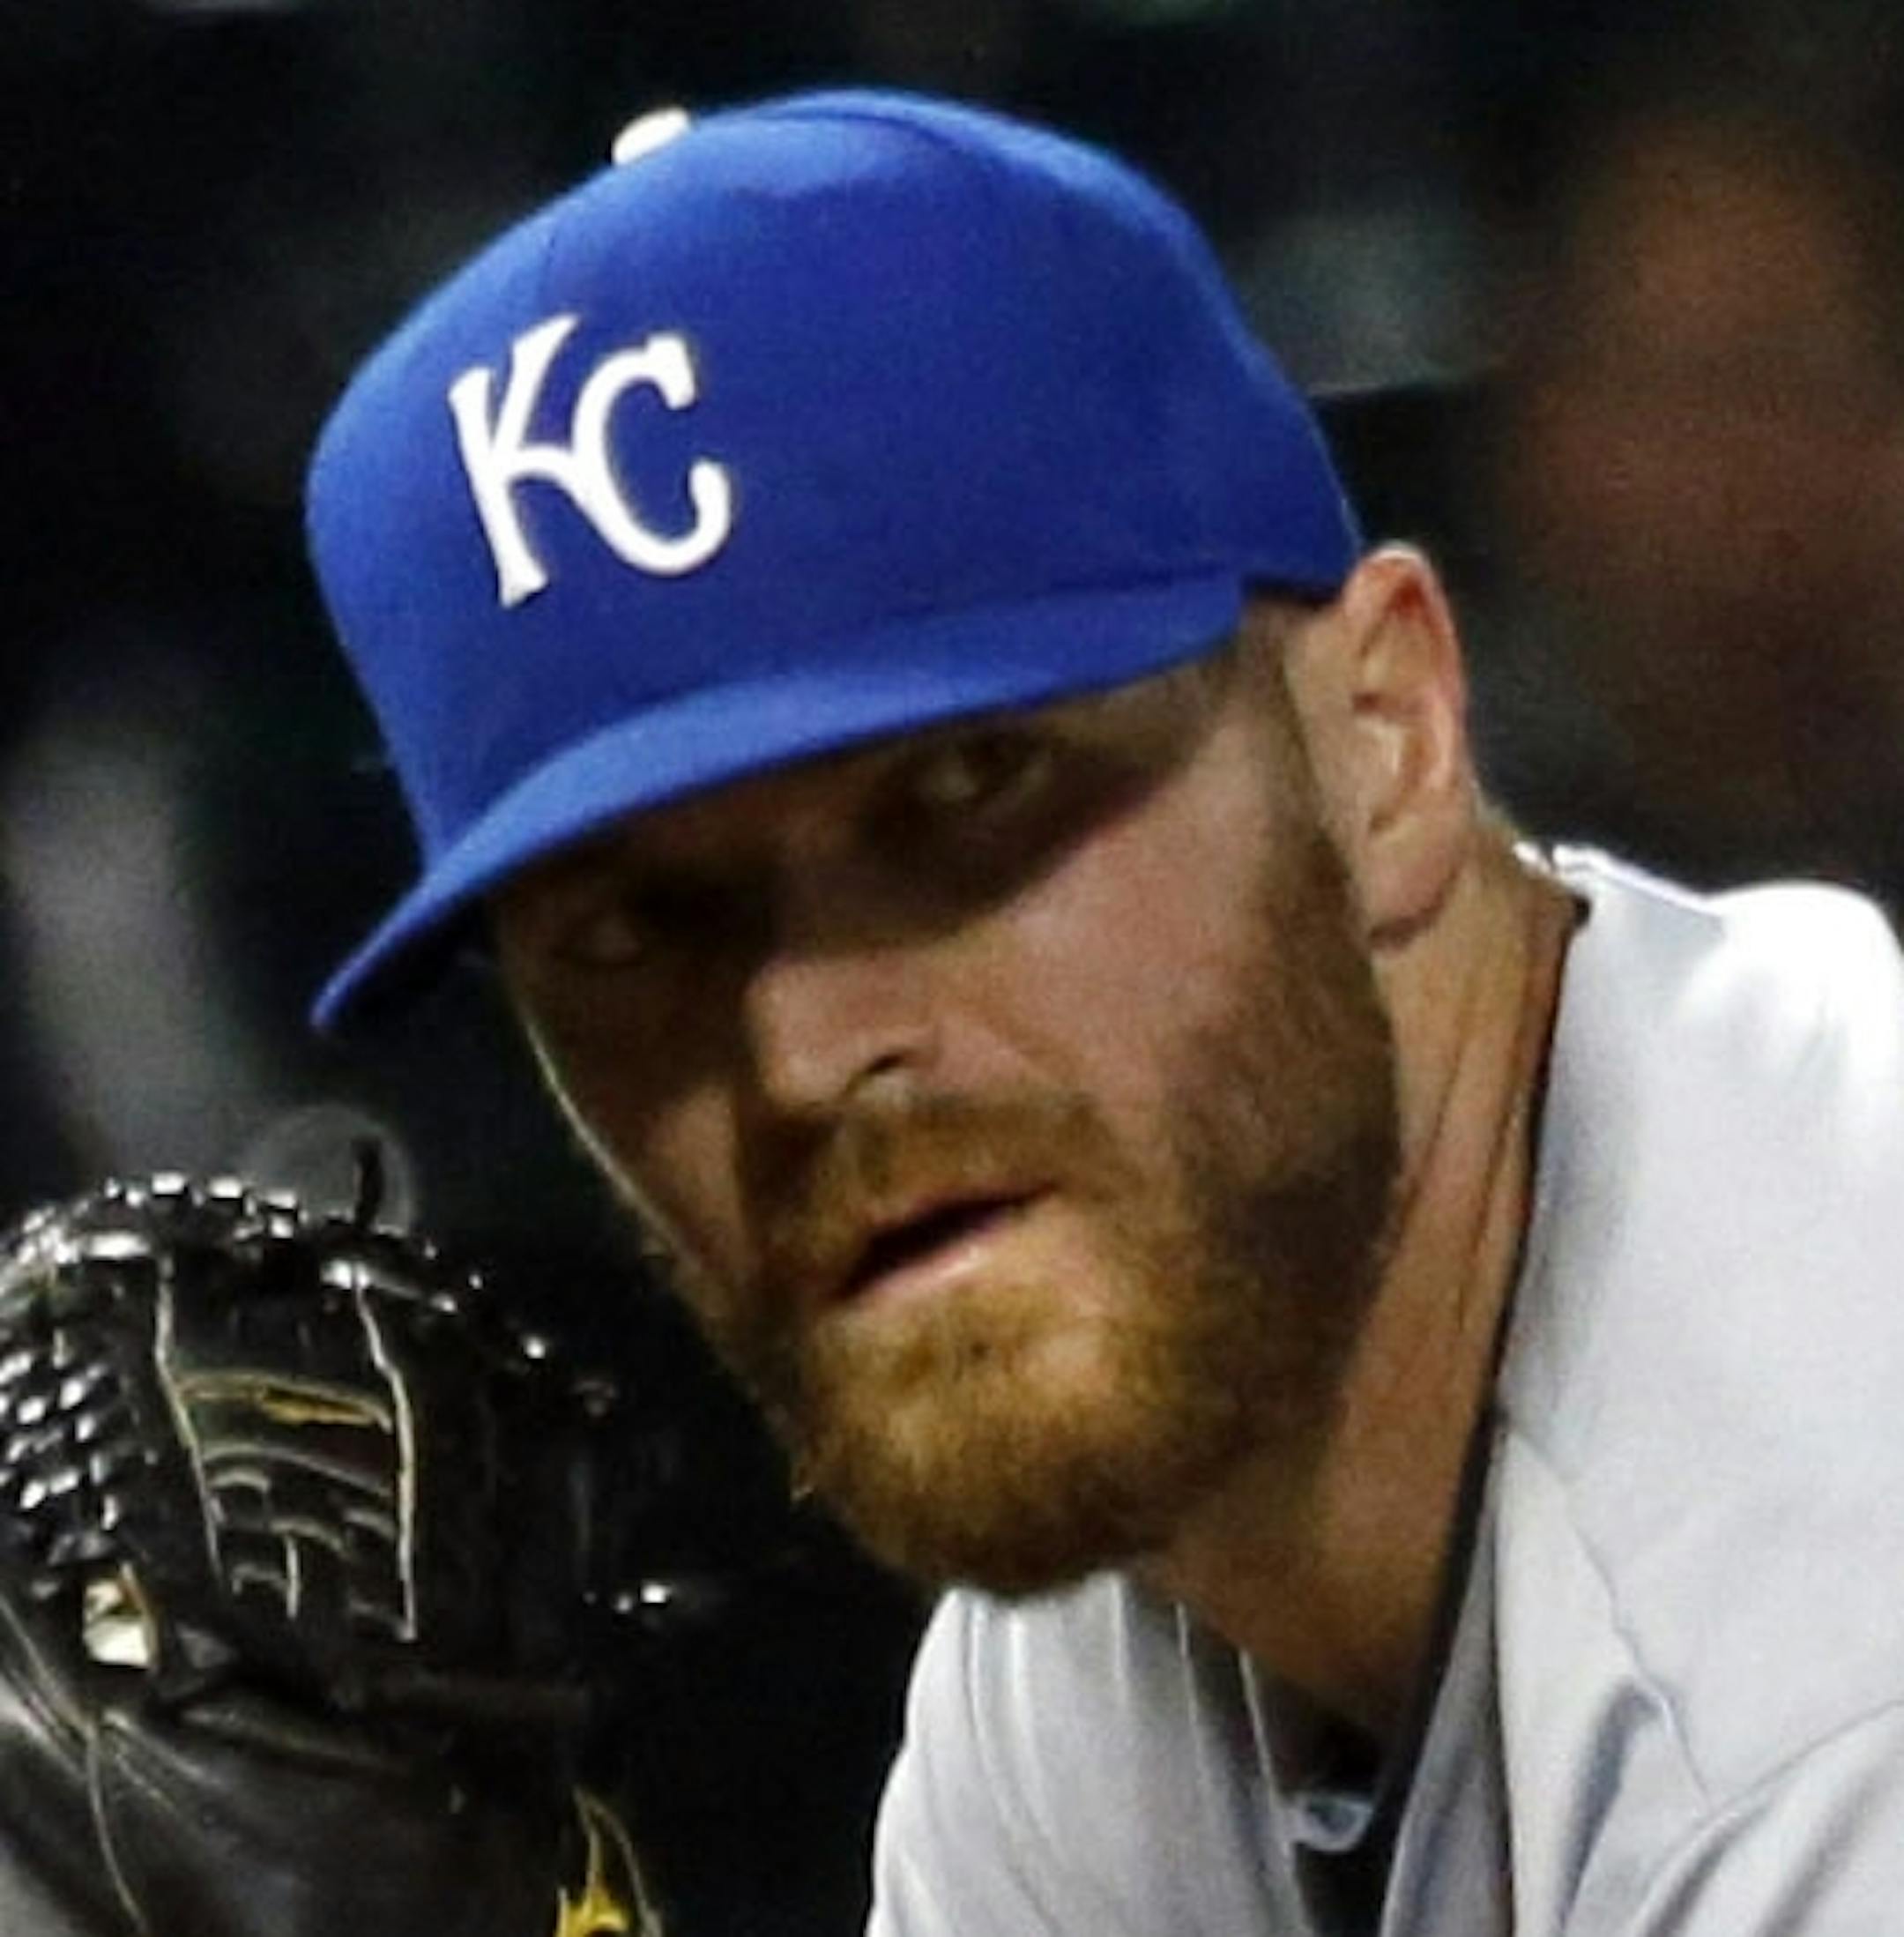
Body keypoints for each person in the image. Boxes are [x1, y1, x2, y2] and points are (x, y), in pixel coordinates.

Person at [301, 89, 1904, 1934]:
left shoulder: (1820, 1610)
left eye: (967, 789)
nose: (805, 1058)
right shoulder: (1138, 1581)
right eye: (630, 933)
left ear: (1384, 740)